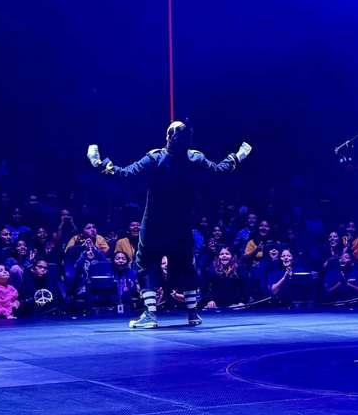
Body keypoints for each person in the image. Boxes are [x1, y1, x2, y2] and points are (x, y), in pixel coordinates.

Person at [87, 120, 251, 328]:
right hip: (181, 224)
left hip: (155, 224)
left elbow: (125, 174)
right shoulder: (195, 159)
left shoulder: (155, 158)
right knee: (185, 265)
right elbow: (219, 171)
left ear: (167, 137)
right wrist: (237, 157)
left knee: (146, 264)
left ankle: (150, 315)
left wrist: (99, 164)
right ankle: (192, 314)